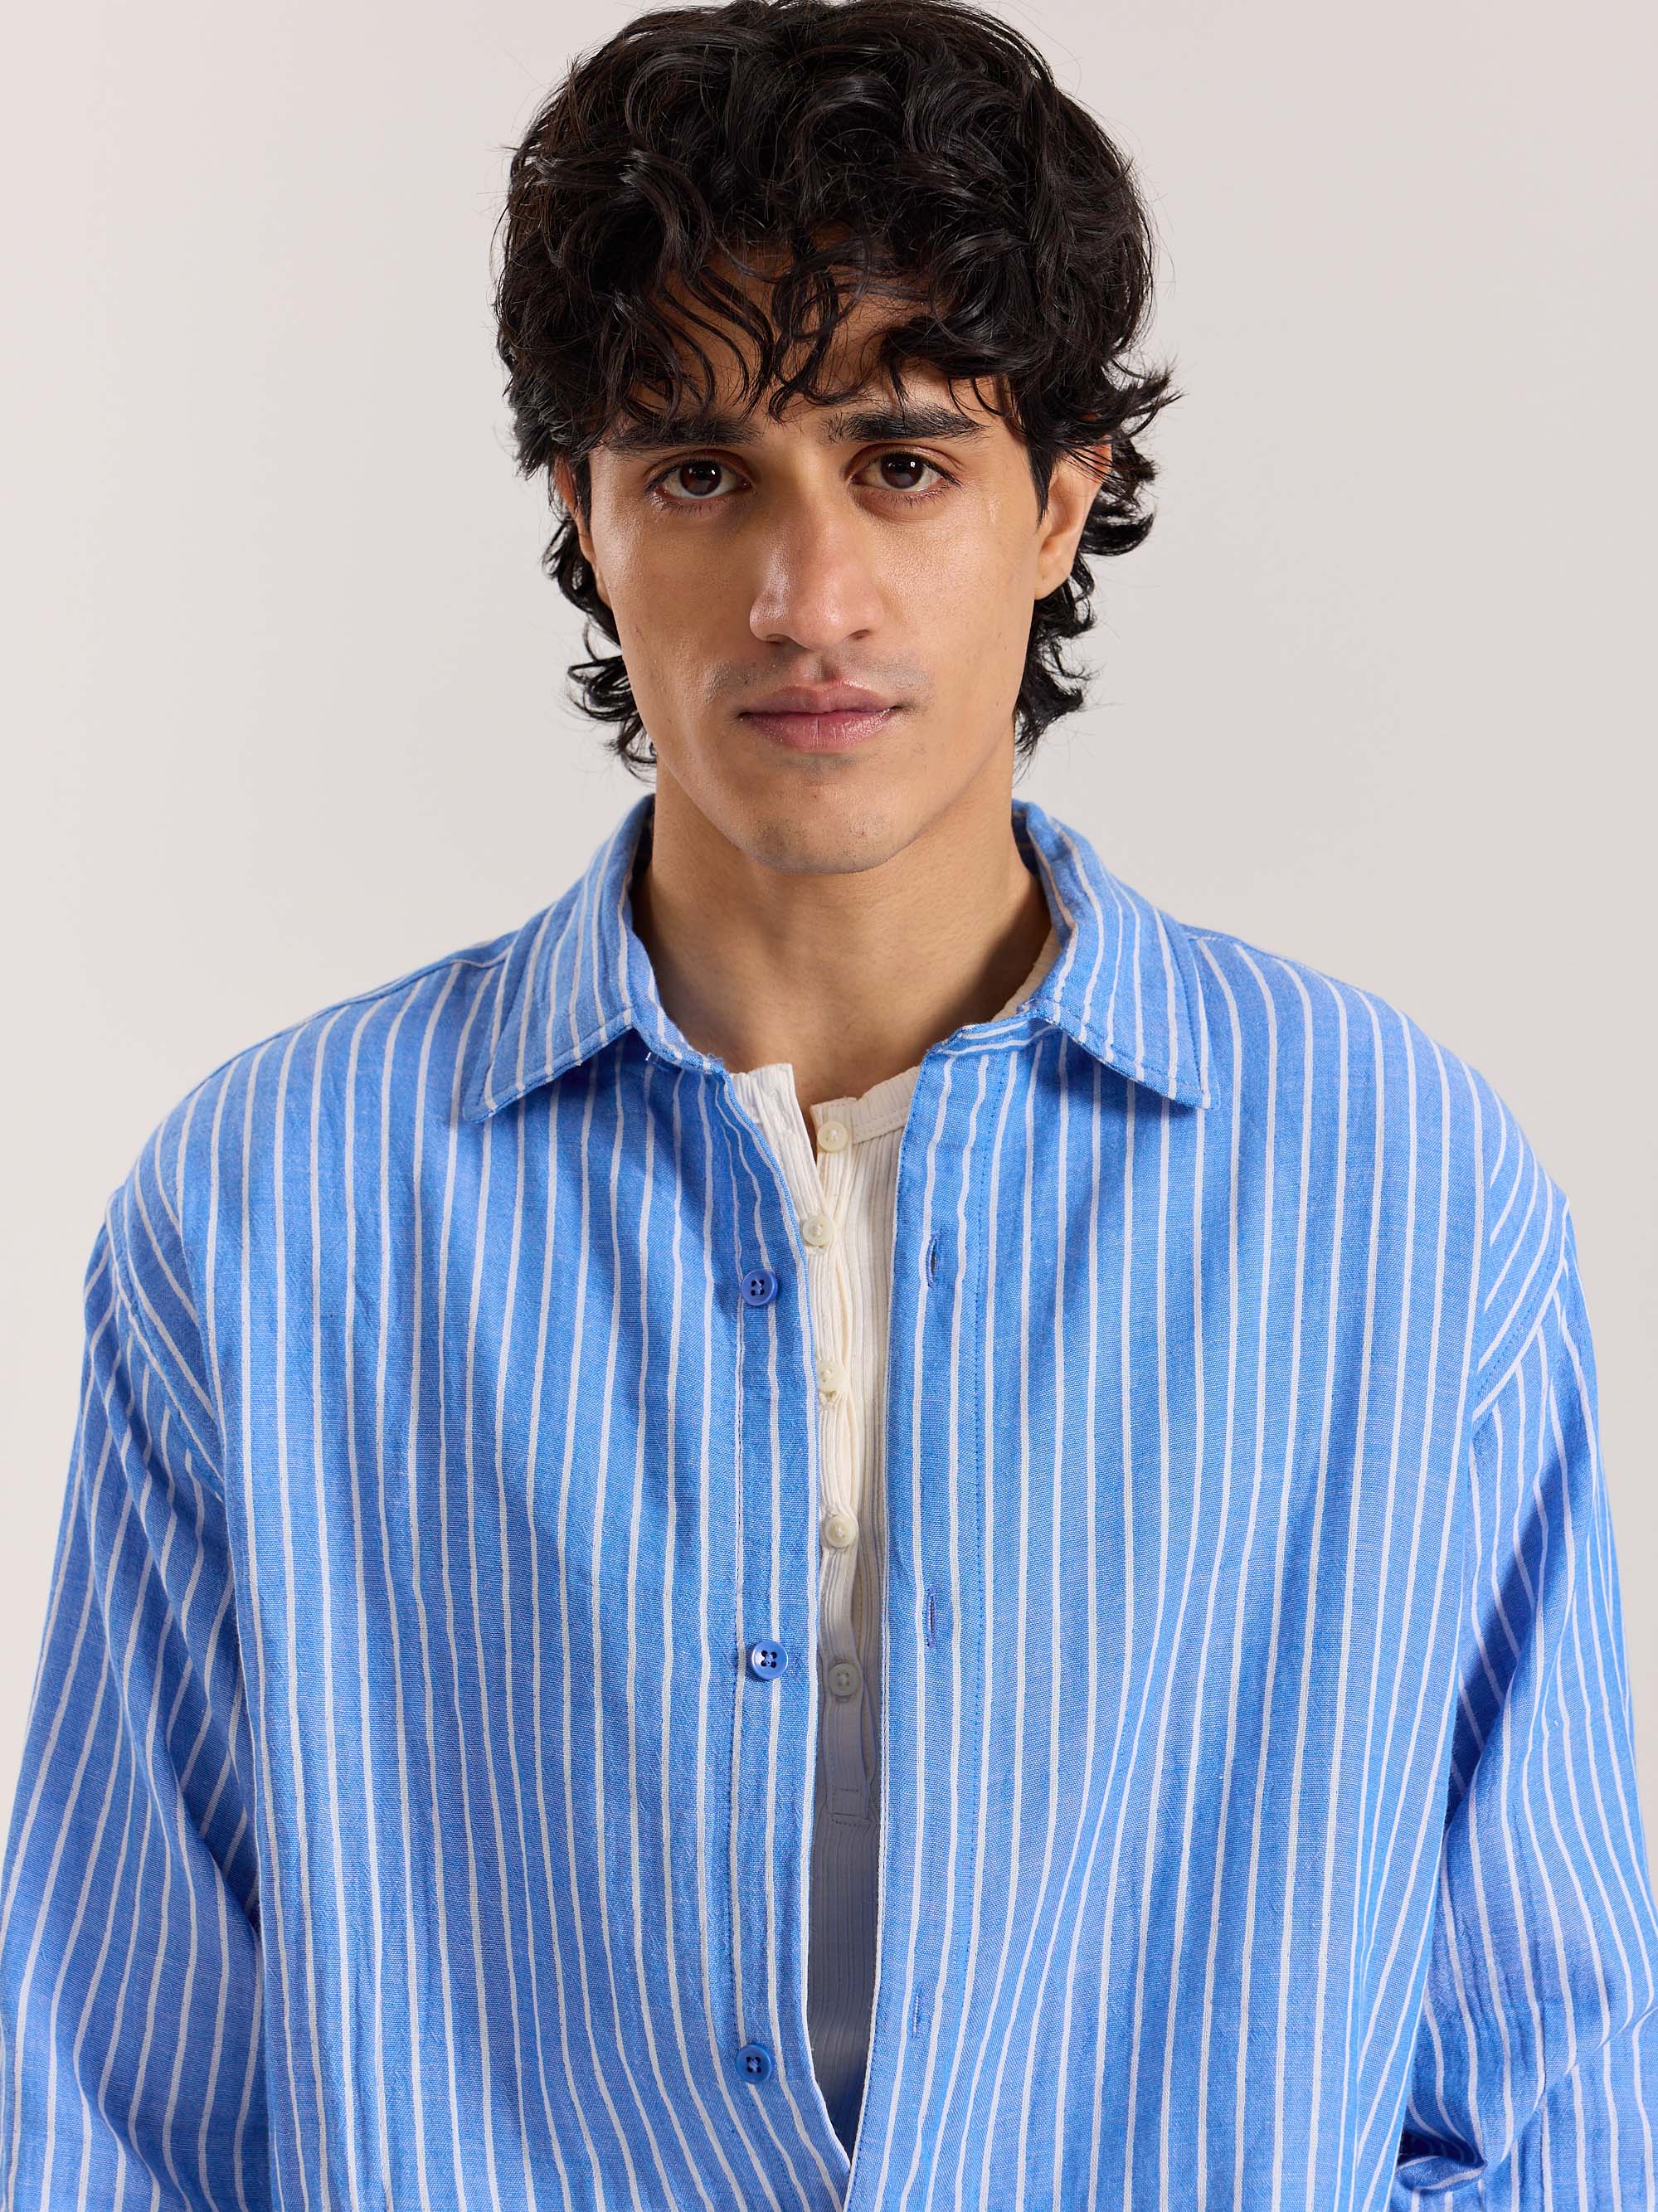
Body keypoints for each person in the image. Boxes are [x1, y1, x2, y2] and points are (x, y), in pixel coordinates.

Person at [3, 0, 1656, 2202]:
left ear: (1060, 502)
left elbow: (1551, 2091)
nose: (809, 599)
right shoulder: (267, 1212)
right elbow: (109, 2104)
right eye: (701, 472)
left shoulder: (1400, 1190)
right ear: (586, 515)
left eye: (902, 461)